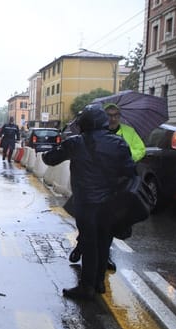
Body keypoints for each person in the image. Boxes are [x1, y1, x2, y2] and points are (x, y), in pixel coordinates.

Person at [42, 104, 135, 300]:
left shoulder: (75, 143)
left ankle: (87, 287)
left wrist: (56, 145)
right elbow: (130, 173)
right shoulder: (119, 143)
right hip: (110, 203)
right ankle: (99, 282)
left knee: (90, 243)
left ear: (84, 123)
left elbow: (49, 159)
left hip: (86, 203)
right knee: (103, 243)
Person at [68, 103, 146, 269]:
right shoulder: (92, 133)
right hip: (93, 182)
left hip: (116, 185)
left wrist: (127, 156)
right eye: (109, 115)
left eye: (116, 115)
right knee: (87, 222)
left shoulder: (128, 132)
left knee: (107, 225)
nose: (113, 118)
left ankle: (104, 258)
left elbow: (140, 149)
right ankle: (81, 246)